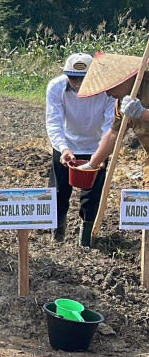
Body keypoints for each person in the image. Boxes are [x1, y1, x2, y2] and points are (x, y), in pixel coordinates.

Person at [76, 52, 149, 245]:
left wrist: (143, 114)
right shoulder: (122, 103)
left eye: (110, 87)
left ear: (124, 78)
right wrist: (92, 164)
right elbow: (114, 134)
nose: (108, 93)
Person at [45, 53, 115, 245]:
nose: (77, 84)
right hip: (67, 144)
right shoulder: (56, 87)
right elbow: (54, 122)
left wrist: (100, 154)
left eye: (82, 79)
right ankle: (57, 236)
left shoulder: (108, 91)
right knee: (59, 192)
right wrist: (63, 148)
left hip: (97, 146)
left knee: (91, 196)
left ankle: (85, 239)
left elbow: (111, 125)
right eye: (72, 78)